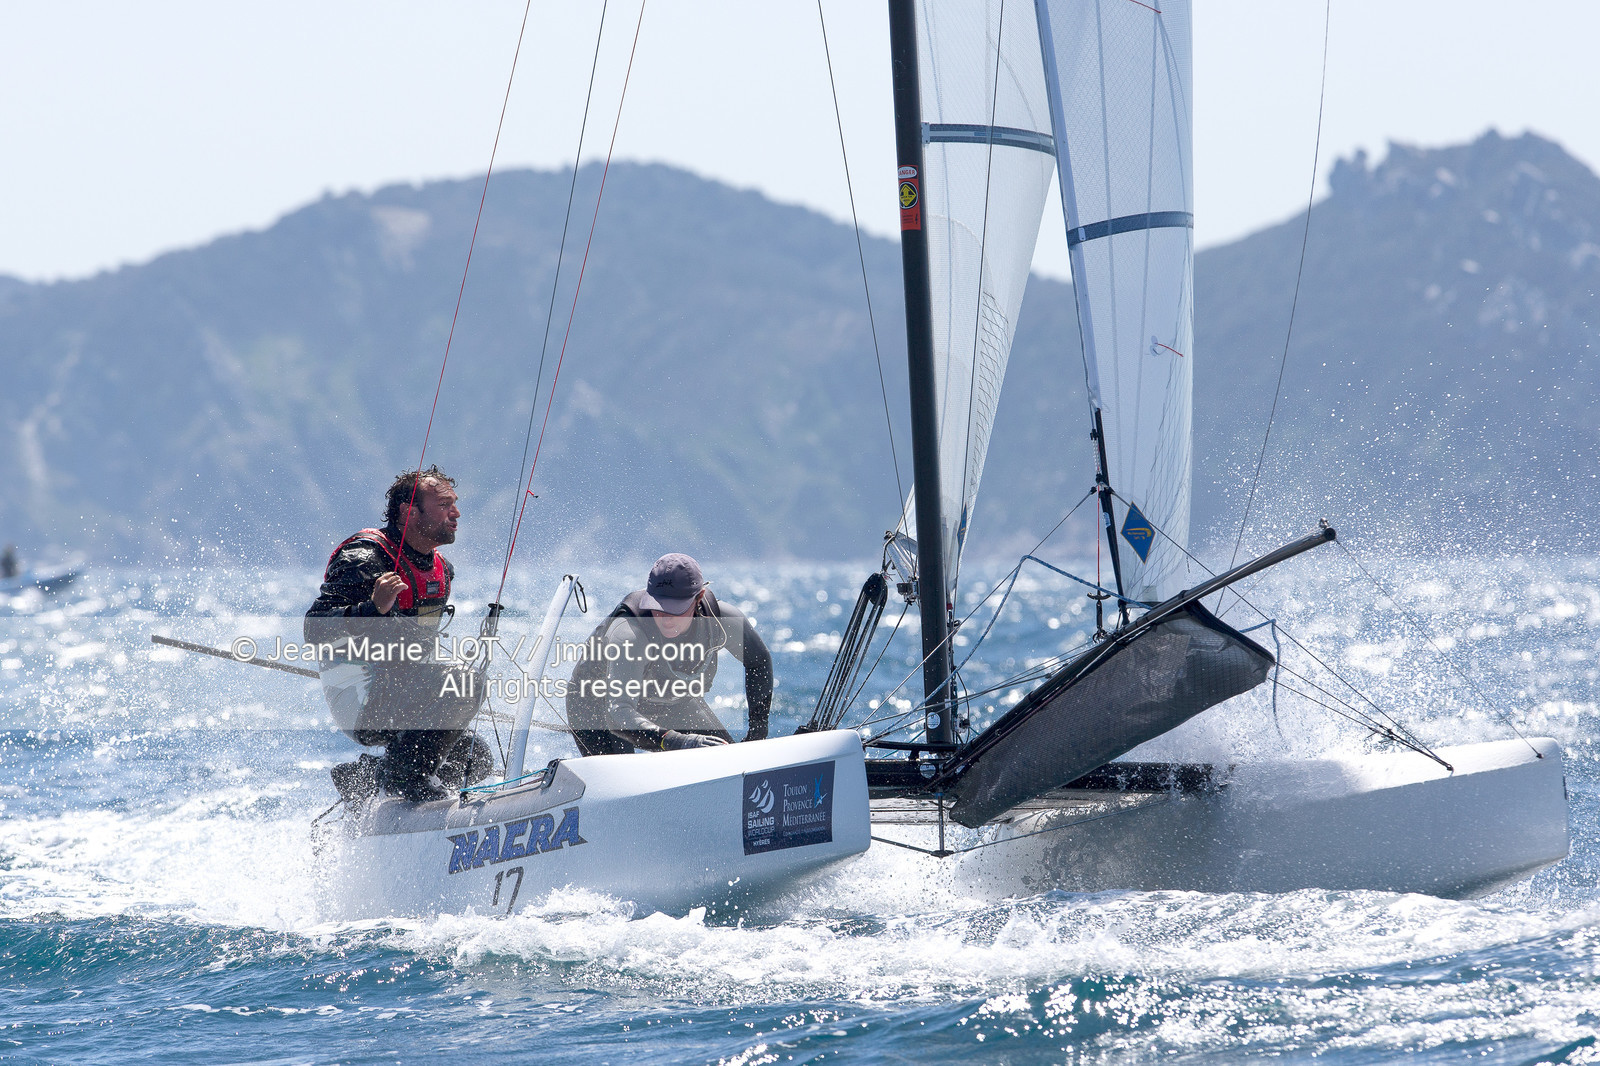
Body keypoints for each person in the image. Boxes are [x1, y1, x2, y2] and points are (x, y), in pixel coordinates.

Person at [305, 465, 491, 802]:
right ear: (409, 511)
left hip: (407, 693)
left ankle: (365, 778)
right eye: (444, 504)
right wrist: (371, 610)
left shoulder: (442, 570)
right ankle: (402, 781)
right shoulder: (364, 558)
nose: (456, 513)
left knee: (474, 758)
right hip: (362, 699)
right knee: (464, 682)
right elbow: (314, 628)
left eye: (455, 503)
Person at [568, 553, 772, 755]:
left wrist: (758, 728)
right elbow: (618, 712)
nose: (666, 619)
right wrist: (675, 741)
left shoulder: (722, 620)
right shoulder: (630, 635)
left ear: (699, 597)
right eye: (658, 608)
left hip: (669, 700)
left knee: (727, 757)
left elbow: (758, 662)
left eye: (676, 610)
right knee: (630, 778)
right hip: (600, 706)